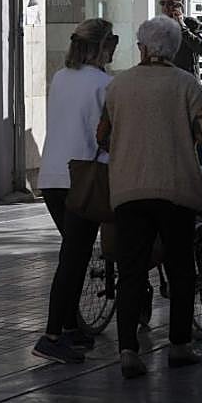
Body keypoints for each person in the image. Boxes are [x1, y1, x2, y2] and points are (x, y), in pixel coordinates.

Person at [98, 15, 202, 379]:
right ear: (175, 48)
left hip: (130, 190)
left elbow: (102, 135)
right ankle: (179, 345)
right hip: (177, 189)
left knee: (131, 272)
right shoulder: (186, 84)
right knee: (181, 270)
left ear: (143, 48)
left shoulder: (118, 86)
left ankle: (129, 350)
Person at [33, 20, 119, 364]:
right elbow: (107, 133)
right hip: (83, 176)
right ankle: (51, 335)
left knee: (75, 252)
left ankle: (70, 326)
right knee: (73, 257)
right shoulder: (106, 84)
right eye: (111, 43)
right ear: (101, 47)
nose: (113, 50)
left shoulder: (60, 77)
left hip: (52, 175)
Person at [159, 0, 202, 76]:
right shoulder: (160, 27)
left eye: (170, 3)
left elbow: (201, 48)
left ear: (179, 5)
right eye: (162, 3)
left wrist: (182, 26)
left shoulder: (191, 23)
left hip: (188, 81)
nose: (165, 7)